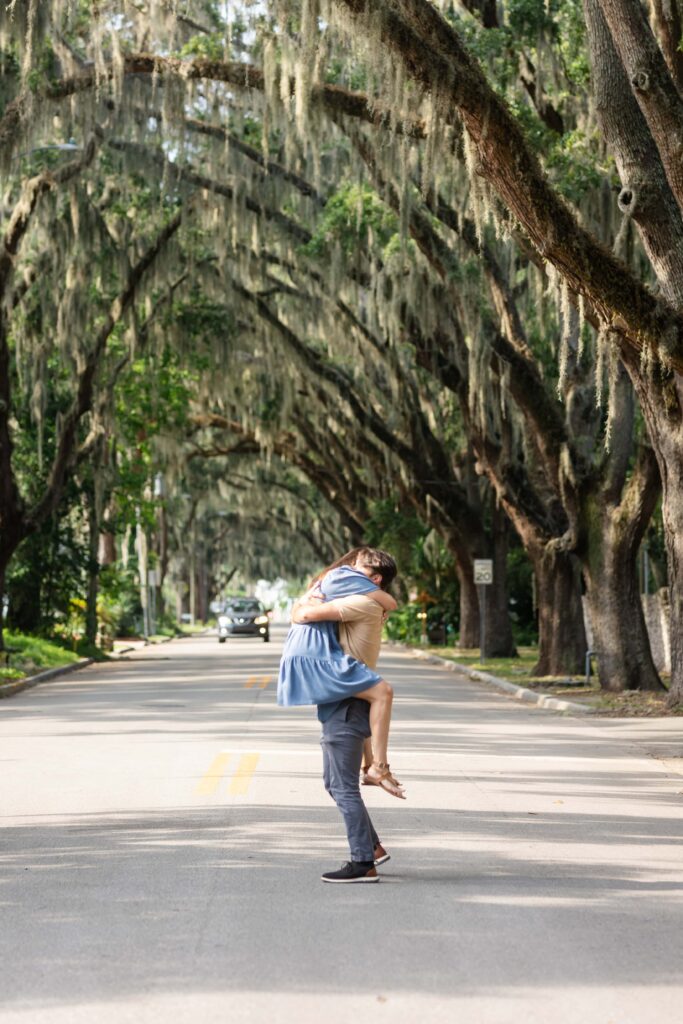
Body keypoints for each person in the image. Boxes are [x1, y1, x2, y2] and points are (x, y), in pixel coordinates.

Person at [278, 547, 405, 798]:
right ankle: (377, 767)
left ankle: (372, 766)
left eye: (358, 567)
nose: (350, 570)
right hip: (344, 670)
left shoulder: (362, 599)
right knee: (382, 694)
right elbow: (305, 613)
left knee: (374, 703)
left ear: (374, 578)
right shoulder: (360, 597)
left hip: (349, 670)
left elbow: (305, 613)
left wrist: (300, 607)